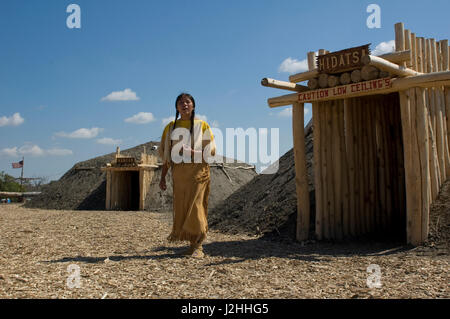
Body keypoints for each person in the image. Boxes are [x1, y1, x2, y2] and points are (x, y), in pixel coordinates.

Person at [159, 93, 216, 258]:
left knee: (196, 206)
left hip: (199, 172)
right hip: (180, 175)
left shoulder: (203, 125)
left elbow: (211, 150)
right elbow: (166, 155)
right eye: (180, 102)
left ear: (193, 105)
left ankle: (198, 246)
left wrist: (192, 152)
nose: (184, 104)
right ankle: (192, 245)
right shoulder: (170, 127)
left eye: (187, 101)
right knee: (184, 207)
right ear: (176, 107)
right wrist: (163, 177)